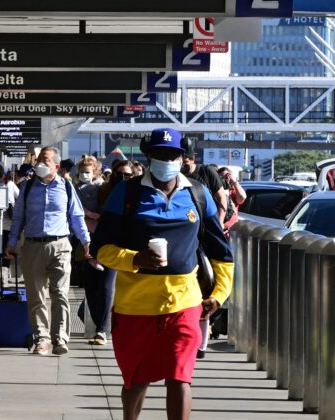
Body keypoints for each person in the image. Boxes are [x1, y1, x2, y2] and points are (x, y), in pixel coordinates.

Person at [91, 128, 234, 420]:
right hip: (135, 306)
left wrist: (218, 295)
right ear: (148, 156)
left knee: (180, 377)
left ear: (183, 157)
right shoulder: (127, 193)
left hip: (184, 302)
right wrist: (135, 259)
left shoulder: (198, 193)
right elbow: (100, 249)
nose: (166, 160)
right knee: (136, 379)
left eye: (172, 154)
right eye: (159, 154)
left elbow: (221, 252)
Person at [5, 147, 91, 356]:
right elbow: (18, 219)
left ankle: (60, 337)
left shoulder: (67, 187)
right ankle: (41, 339)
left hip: (60, 245)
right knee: (36, 296)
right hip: (33, 245)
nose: (40, 165)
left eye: (45, 160)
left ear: (57, 165)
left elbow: (77, 217)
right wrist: (12, 242)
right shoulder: (26, 188)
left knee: (60, 293)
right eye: (38, 161)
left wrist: (86, 241)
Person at [74, 156, 113, 345]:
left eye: (88, 171)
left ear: (96, 172)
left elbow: (104, 215)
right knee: (89, 287)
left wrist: (88, 216)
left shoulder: (102, 189)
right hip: (83, 241)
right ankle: (100, 325)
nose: (84, 174)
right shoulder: (73, 189)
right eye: (82, 170)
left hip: (103, 240)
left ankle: (102, 329)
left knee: (105, 287)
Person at [181, 148, 228, 229]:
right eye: (180, 163)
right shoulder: (177, 175)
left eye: (185, 163)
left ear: (192, 159)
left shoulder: (207, 171)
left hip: (208, 222)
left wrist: (219, 223)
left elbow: (221, 197)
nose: (182, 166)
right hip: (188, 224)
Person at [217, 167, 247, 231]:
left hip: (232, 231)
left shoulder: (233, 192)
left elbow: (242, 197)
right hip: (220, 228)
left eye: (228, 175)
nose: (227, 178)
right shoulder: (216, 193)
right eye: (223, 177)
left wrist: (234, 181)